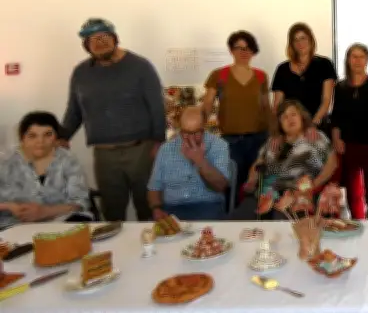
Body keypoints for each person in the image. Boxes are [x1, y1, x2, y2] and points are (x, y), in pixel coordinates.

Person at [60, 18, 166, 221]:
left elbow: (156, 106)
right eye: (93, 40)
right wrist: (62, 136)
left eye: (104, 37)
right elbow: (74, 110)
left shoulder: (140, 66)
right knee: (112, 210)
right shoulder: (81, 73)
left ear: (115, 38)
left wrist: (159, 142)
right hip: (104, 154)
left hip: (141, 151)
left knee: (148, 206)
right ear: (86, 46)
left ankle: (153, 250)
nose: (99, 43)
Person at [232, 100, 338, 220]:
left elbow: (332, 164)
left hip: (298, 195)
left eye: (293, 114)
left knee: (281, 223)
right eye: (284, 117)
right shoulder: (273, 142)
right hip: (266, 194)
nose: (290, 119)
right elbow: (258, 165)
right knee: (237, 219)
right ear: (280, 123)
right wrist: (251, 180)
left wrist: (313, 185)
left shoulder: (315, 137)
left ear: (302, 117)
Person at [203, 31, 273, 204]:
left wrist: (275, 135)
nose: (243, 52)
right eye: (239, 48)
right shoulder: (220, 75)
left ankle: (260, 227)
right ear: (231, 50)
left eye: (248, 48)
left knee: (258, 187)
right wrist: (198, 132)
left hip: (259, 139)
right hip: (230, 142)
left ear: (253, 51)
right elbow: (207, 105)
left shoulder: (261, 76)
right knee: (232, 187)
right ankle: (231, 225)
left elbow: (267, 108)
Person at [0, 112, 90, 230]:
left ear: (56, 137)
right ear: (22, 138)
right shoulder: (5, 162)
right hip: (13, 228)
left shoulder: (68, 161)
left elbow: (80, 204)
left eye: (48, 135)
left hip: (60, 227)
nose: (40, 141)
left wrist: (44, 212)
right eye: (32, 136)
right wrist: (9, 206)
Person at [330, 44, 368, 219]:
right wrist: (336, 138)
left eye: (361, 56)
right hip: (349, 145)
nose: (357, 60)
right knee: (353, 191)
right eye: (353, 56)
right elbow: (336, 117)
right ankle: (358, 222)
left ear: (367, 60)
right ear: (348, 60)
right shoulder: (340, 88)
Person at [147, 107, 231, 221]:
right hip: (172, 208)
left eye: (196, 132)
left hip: (207, 206)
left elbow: (220, 186)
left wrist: (200, 161)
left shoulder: (219, 145)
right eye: (186, 132)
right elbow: (154, 187)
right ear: (180, 129)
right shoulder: (166, 149)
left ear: (204, 127)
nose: (191, 138)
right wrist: (156, 209)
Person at [272, 23, 337, 136]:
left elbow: (326, 100)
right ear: (291, 44)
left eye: (303, 38)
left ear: (311, 40)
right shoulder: (282, 69)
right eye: (295, 40)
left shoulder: (324, 65)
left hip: (317, 127)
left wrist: (313, 124)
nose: (300, 43)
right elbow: (278, 105)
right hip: (290, 130)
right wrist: (277, 131)